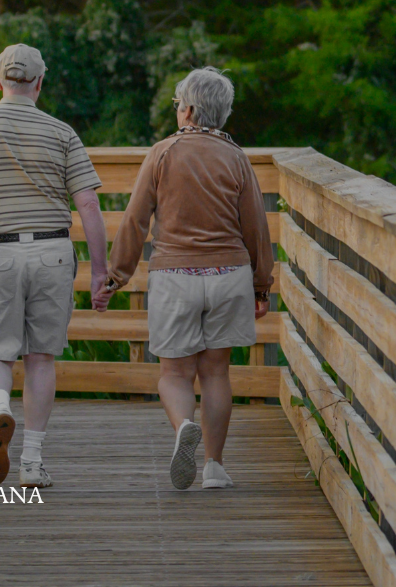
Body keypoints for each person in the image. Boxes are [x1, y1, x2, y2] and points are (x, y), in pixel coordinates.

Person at [0, 43, 110, 488]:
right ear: (39, 83)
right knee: (40, 358)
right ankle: (32, 462)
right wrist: (99, 270)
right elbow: (89, 203)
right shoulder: (62, 132)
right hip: (53, 253)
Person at [95, 67, 274, 490]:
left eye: (178, 105)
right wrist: (260, 285)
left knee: (175, 374)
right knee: (216, 373)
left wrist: (114, 277)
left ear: (189, 110)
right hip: (229, 275)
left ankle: (182, 429)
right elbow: (255, 227)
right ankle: (214, 467)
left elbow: (136, 220)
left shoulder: (161, 153)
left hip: (175, 275)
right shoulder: (236, 157)